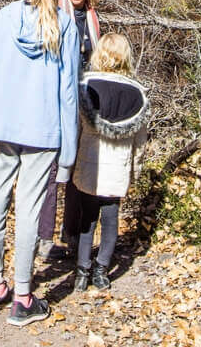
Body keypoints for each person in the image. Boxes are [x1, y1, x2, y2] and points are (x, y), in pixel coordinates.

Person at [0, 0, 80, 327]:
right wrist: (69, 151)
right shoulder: (66, 25)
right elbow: (69, 92)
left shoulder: (4, 18)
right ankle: (22, 296)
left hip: (1, 125)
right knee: (29, 212)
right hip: (43, 130)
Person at [71, 33, 149, 291]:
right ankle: (102, 271)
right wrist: (134, 173)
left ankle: (82, 271)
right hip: (118, 169)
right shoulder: (138, 95)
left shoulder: (85, 86)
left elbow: (76, 130)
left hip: (88, 165)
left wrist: (69, 163)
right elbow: (140, 143)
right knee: (110, 221)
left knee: (87, 219)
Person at [38, 0, 102, 260]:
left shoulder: (91, 17)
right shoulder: (55, 14)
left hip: (84, 101)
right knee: (53, 168)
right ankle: (44, 237)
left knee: (78, 169)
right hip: (56, 99)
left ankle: (72, 233)